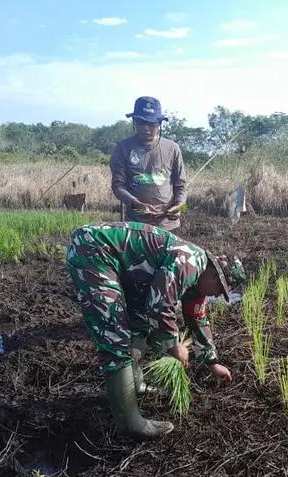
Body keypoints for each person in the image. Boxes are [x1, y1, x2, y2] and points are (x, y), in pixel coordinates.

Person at [66, 221, 246, 440]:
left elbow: (197, 317)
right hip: (94, 250)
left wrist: (212, 361)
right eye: (220, 289)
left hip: (117, 264)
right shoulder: (190, 262)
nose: (217, 295)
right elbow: (159, 304)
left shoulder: (197, 283)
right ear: (215, 275)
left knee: (139, 324)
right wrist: (174, 345)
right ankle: (131, 423)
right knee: (114, 334)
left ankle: (136, 383)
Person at [110, 96, 187, 231]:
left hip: (167, 225)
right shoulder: (122, 148)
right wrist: (136, 203)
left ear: (159, 124)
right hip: (135, 225)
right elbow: (118, 186)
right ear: (134, 121)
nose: (146, 128)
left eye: (151, 124)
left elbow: (180, 186)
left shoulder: (172, 148)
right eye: (141, 122)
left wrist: (179, 205)